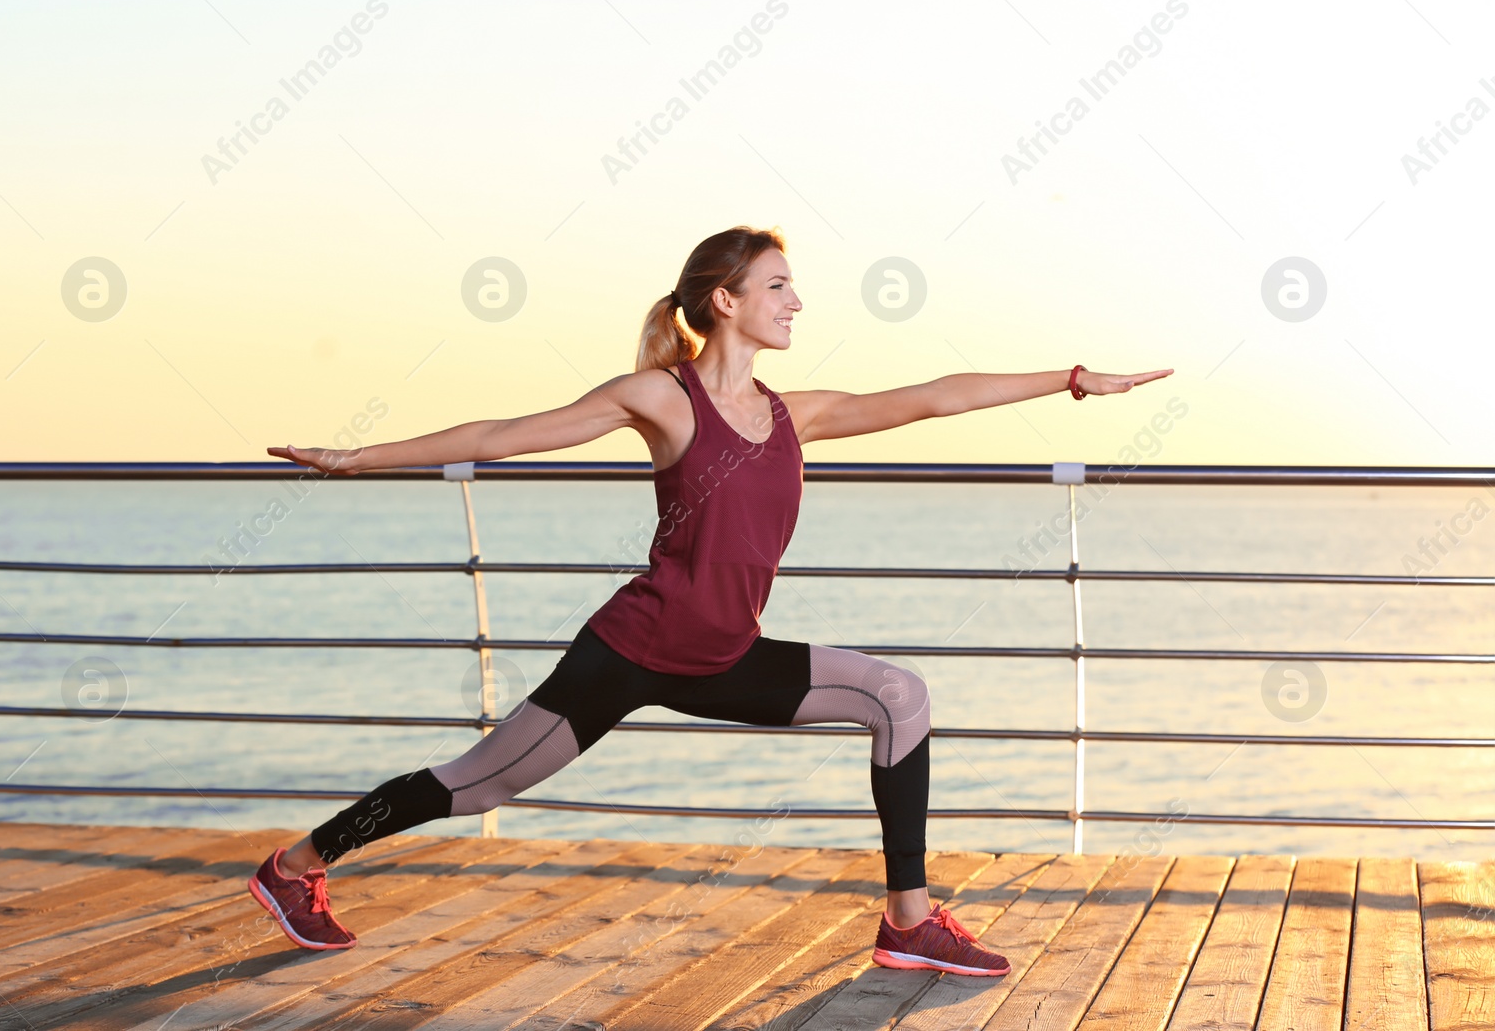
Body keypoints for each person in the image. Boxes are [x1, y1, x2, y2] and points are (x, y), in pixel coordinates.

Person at [250, 225, 1172, 975]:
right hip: (631, 651)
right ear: (725, 301)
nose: (797, 302)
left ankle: (907, 922)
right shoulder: (661, 396)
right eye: (779, 286)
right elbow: (505, 434)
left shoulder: (792, 414)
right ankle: (297, 866)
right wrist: (357, 458)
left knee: (900, 695)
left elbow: (932, 397)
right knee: (474, 784)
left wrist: (1075, 378)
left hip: (726, 657)